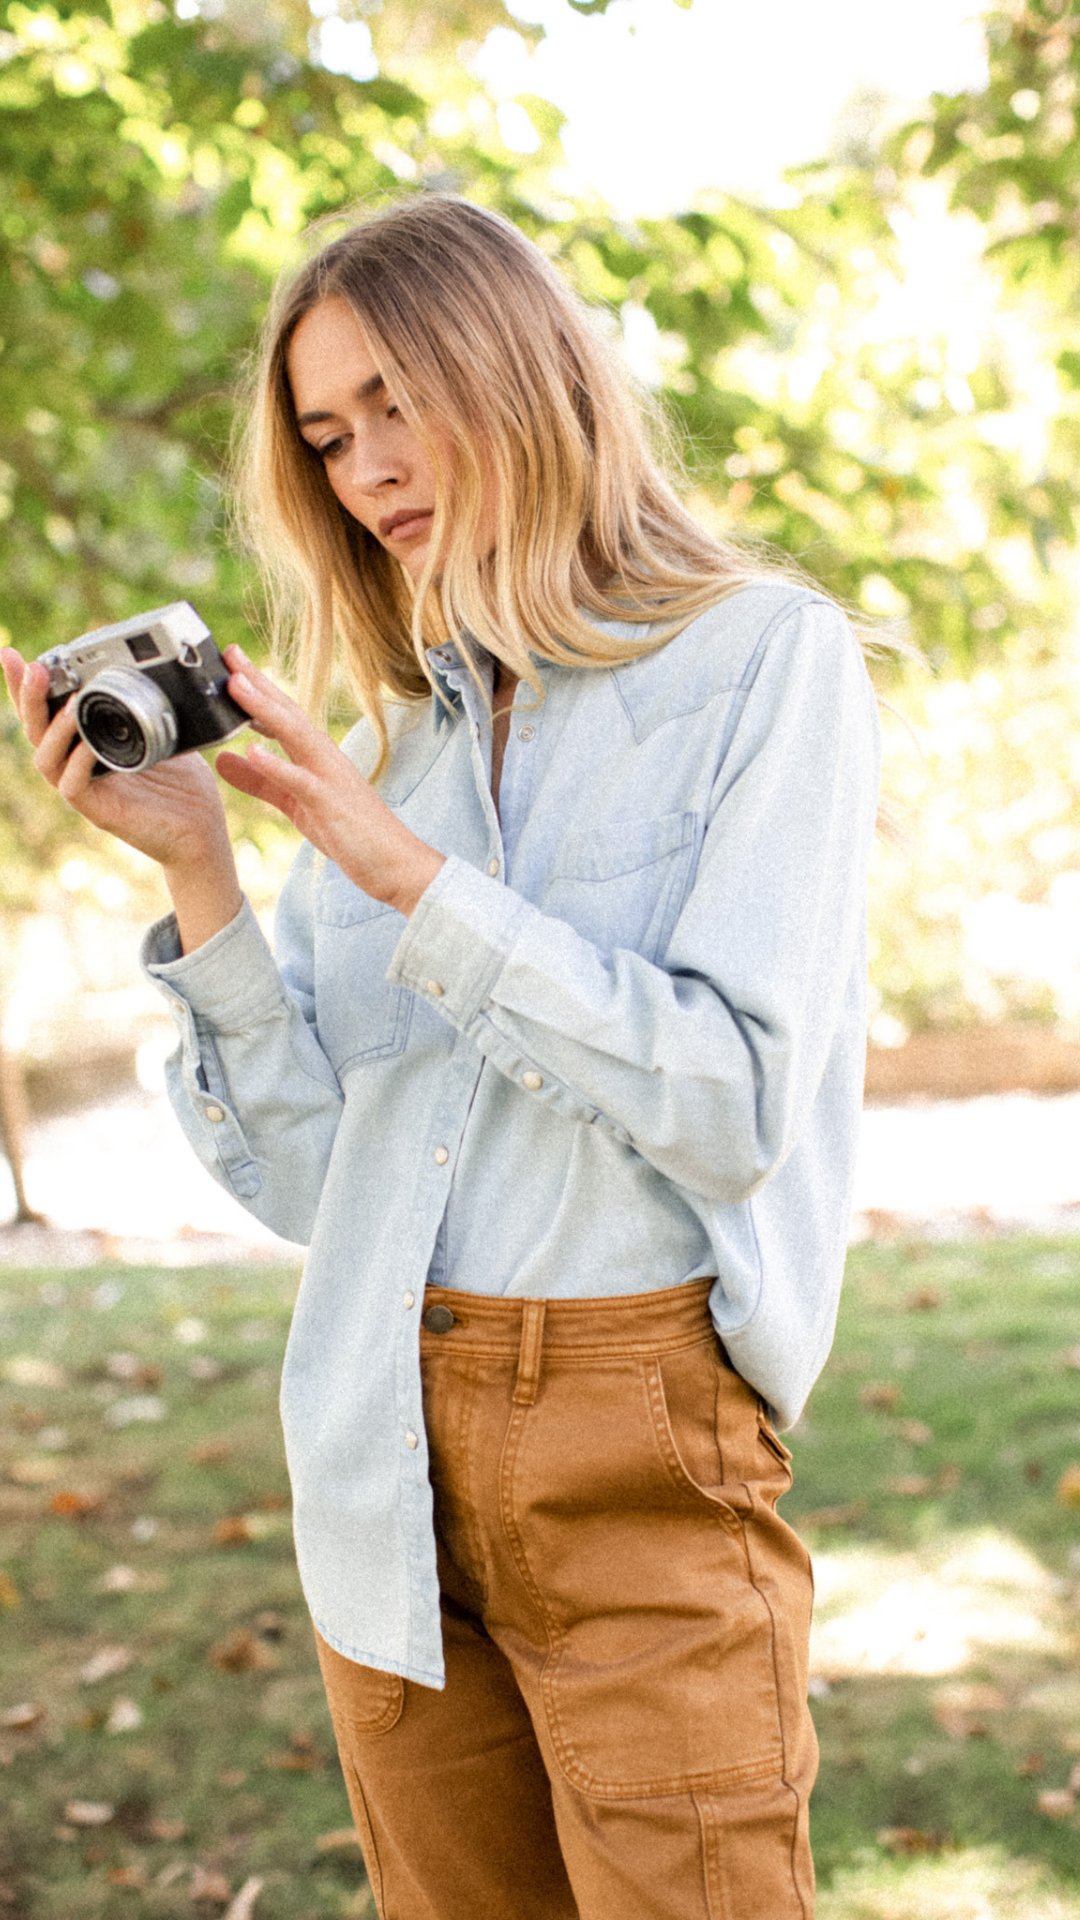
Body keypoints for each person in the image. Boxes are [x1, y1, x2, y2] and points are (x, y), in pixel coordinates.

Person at [3, 195, 879, 1920]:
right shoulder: (384, 742)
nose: (369, 468)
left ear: (524, 368)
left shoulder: (764, 663)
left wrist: (408, 878)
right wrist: (203, 871)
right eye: (329, 436)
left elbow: (733, 1099)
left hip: (637, 1428)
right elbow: (322, 1188)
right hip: (369, 1445)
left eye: (397, 400)